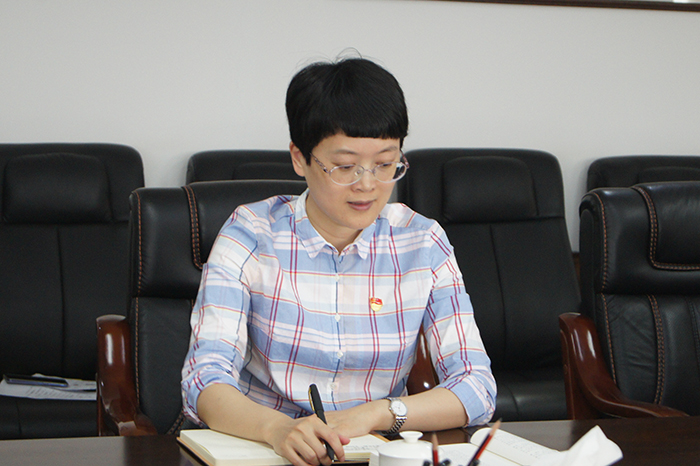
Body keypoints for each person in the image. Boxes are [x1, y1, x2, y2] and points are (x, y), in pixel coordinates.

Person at [181, 56, 496, 466]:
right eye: (345, 167)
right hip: (264, 449)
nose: (368, 185)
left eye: (385, 164)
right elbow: (205, 379)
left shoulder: (423, 242)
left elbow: (476, 385)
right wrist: (277, 429)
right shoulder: (251, 234)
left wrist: (377, 414)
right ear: (300, 158)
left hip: (374, 451)